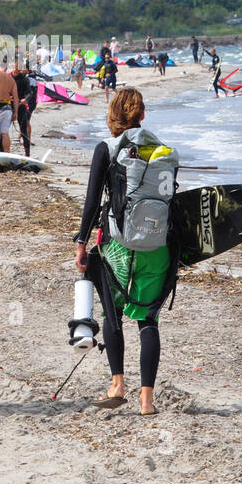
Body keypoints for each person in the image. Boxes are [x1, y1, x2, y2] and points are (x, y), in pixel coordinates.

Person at [73, 88, 175, 416]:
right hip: (157, 247)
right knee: (148, 320)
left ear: (113, 116)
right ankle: (147, 401)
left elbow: (91, 202)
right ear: (142, 115)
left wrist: (80, 242)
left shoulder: (107, 148)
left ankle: (117, 384)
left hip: (118, 246)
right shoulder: (161, 150)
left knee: (112, 313)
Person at [14, 67, 38, 157]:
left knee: (26, 122)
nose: (22, 70)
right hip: (20, 103)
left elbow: (32, 93)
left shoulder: (29, 79)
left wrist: (27, 102)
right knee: (25, 122)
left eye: (24, 68)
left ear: (28, 70)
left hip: (29, 103)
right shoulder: (16, 77)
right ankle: (20, 137)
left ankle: (26, 140)